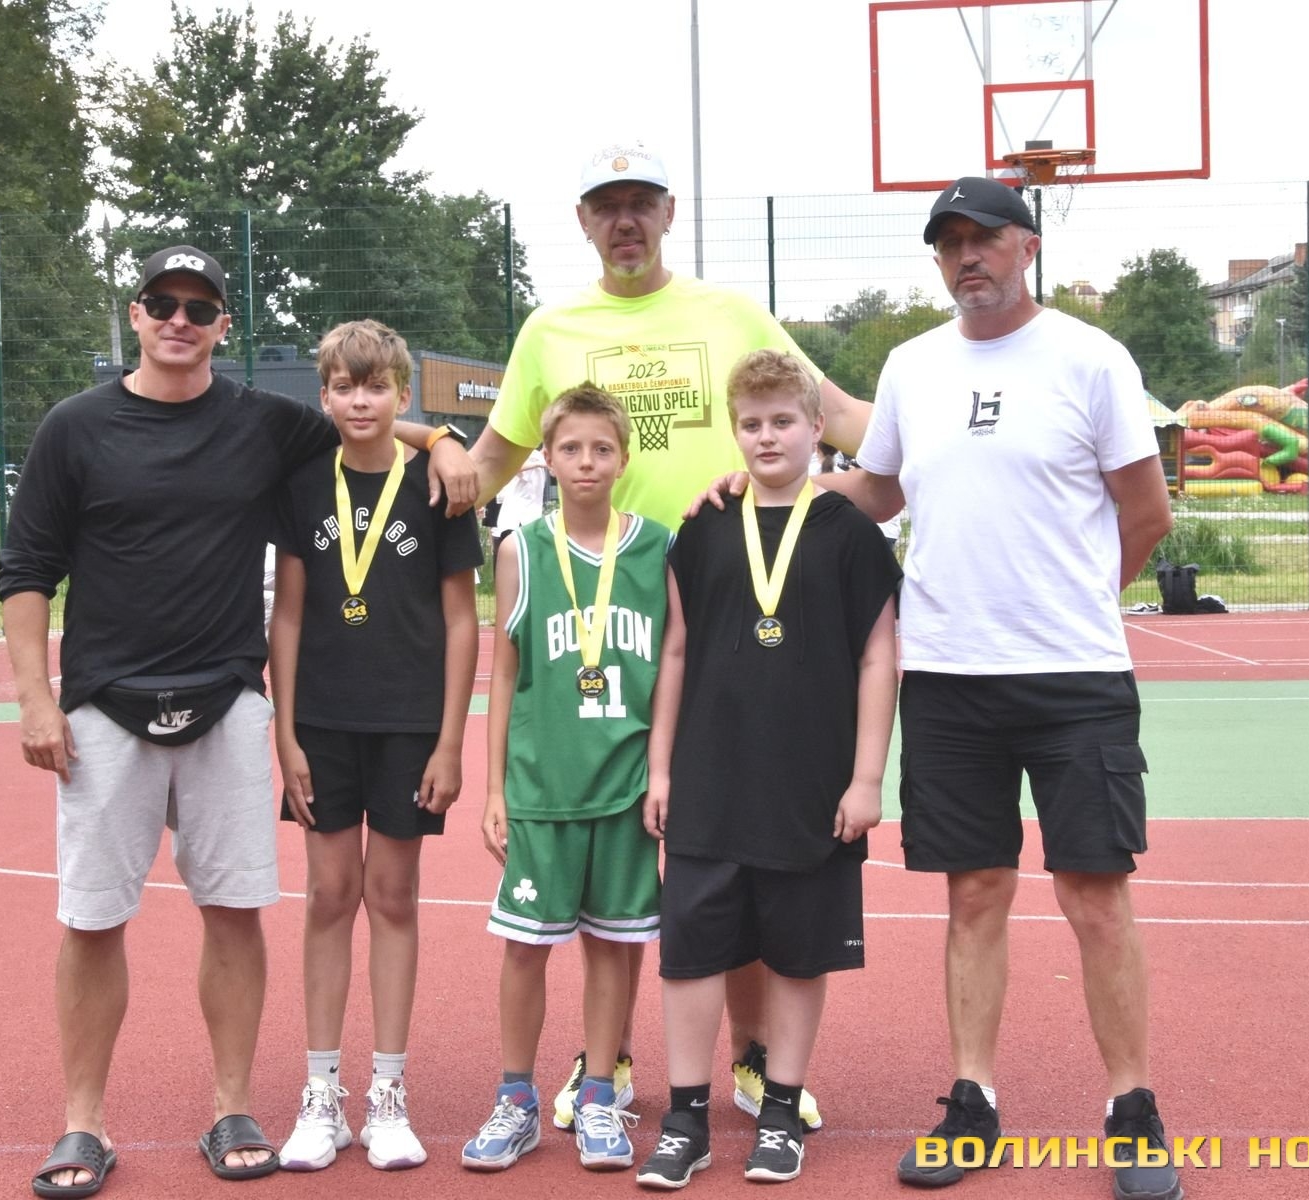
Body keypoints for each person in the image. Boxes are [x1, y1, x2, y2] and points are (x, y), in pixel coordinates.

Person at [0, 246, 475, 1199]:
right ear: (135, 315)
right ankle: (82, 1122)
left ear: (224, 325)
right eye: (163, 303)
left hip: (224, 700)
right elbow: (25, 569)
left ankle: (232, 1107)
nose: (180, 319)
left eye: (199, 307)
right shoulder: (74, 426)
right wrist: (34, 698)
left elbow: (367, 419)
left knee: (233, 912)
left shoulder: (262, 422)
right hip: (103, 707)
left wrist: (446, 440)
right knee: (93, 920)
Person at [469, 137, 875, 1134]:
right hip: (596, 628)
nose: (626, 220)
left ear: (669, 211)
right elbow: (485, 465)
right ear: (582, 220)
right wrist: (411, 446)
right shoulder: (549, 330)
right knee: (611, 845)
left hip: (726, 619)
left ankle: (750, 1056)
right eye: (607, 204)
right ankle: (602, 1058)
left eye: (641, 200)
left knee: (739, 843)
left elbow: (839, 419)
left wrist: (960, 429)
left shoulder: (732, 315)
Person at [824, 177, 1179, 1199]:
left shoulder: (1091, 359)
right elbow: (879, 489)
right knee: (973, 893)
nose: (966, 256)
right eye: (948, 243)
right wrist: (781, 489)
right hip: (948, 677)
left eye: (983, 237)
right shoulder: (912, 366)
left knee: (1095, 894)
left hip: (1075, 678)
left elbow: (1146, 511)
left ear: (1027, 246)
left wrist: (1075, 602)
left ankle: (1132, 1107)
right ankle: (971, 1100)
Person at [637, 350, 898, 1188]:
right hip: (709, 777)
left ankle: (780, 1109)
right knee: (690, 953)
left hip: (811, 784)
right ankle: (686, 1119)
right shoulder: (705, 527)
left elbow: (878, 659)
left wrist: (867, 779)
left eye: (783, 421)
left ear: (818, 429)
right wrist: (660, 769)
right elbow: (676, 650)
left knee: (796, 954)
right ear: (734, 431)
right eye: (751, 424)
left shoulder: (850, 533)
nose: (767, 437)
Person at [269, 320, 481, 1172]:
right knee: (328, 894)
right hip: (321, 723)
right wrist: (284, 734)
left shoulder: (438, 484)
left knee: (393, 896)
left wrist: (451, 742)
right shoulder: (301, 481)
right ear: (324, 395)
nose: (361, 401)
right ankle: (321, 1092)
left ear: (403, 394)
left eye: (377, 387)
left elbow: (462, 620)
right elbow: (287, 614)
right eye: (345, 387)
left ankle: (388, 1092)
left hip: (408, 724)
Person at [461, 384, 673, 1173]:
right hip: (542, 790)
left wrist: (661, 770)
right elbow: (505, 677)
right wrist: (494, 789)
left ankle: (598, 1096)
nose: (587, 462)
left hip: (623, 789)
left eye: (601, 448)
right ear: (546, 458)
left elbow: (673, 666)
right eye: (571, 448)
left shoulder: (658, 549)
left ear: (624, 457)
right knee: (525, 948)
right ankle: (515, 1098)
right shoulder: (520, 549)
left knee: (613, 948)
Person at [491, 447, 549, 553]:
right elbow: (514, 468)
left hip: (529, 519)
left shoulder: (541, 461)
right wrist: (538, 464)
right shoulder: (533, 456)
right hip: (517, 521)